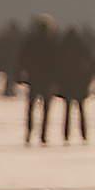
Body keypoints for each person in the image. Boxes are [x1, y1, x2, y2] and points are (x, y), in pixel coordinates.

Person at [17, 15, 59, 145]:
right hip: (47, 78)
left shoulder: (31, 41)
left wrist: (20, 75)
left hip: (34, 77)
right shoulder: (52, 42)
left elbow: (22, 59)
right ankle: (43, 134)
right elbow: (56, 63)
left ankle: (29, 131)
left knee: (31, 106)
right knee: (46, 108)